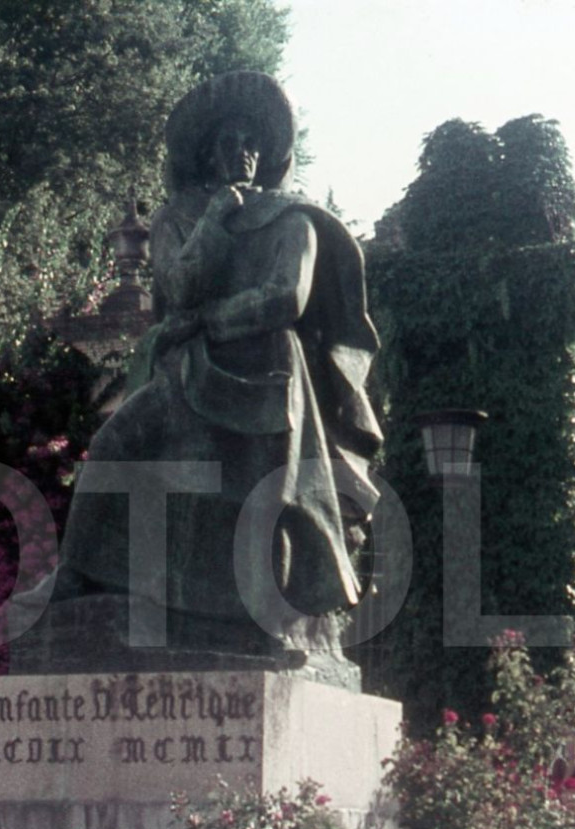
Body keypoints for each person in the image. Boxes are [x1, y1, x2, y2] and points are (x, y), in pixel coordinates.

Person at [52, 71, 382, 656]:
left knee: (259, 498)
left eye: (254, 143)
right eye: (231, 142)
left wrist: (209, 319)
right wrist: (214, 223)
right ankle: (76, 576)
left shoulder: (293, 219)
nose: (244, 154)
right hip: (187, 369)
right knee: (111, 447)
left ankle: (262, 619)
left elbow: (286, 299)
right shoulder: (177, 218)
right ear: (207, 152)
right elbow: (176, 288)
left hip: (267, 373)